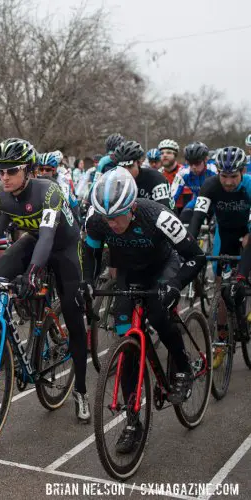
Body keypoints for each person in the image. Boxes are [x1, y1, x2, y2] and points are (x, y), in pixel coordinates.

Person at [0, 138, 91, 423]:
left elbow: (49, 236)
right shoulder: (0, 194)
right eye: (1, 171)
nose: (4, 177)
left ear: (29, 170)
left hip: (66, 249)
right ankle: (3, 340)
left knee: (74, 318)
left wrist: (33, 273)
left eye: (11, 171)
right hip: (35, 241)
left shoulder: (48, 191)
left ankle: (81, 392)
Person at [82, 167, 205, 453]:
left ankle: (183, 369)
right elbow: (91, 253)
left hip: (163, 268)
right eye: (107, 218)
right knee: (126, 346)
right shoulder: (97, 219)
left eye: (118, 216)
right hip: (130, 272)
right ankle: (132, 423)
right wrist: (86, 283)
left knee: (160, 313)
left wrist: (175, 285)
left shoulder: (157, 216)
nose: (112, 224)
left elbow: (196, 255)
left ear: (133, 206)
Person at [188, 146, 251, 345]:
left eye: (233, 176)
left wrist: (242, 271)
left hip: (248, 231)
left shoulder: (249, 185)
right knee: (220, 285)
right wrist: (187, 243)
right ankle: (222, 337)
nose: (229, 182)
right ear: (218, 173)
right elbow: (197, 217)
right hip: (226, 234)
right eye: (224, 176)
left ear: (242, 172)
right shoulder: (210, 186)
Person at [112, 141, 173, 209]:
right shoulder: (114, 179)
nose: (126, 172)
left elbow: (165, 210)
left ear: (139, 163)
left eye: (130, 166)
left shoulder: (156, 178)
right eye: (122, 167)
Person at [170, 142, 216, 223]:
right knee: (184, 218)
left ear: (205, 160)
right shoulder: (183, 173)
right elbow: (172, 197)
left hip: (216, 202)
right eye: (190, 163)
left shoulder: (214, 171)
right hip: (197, 201)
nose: (194, 167)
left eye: (197, 163)